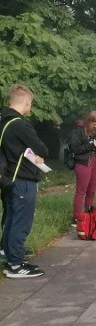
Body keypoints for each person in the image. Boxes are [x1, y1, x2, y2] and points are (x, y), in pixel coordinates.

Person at [1, 84, 49, 278]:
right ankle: (16, 265)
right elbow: (42, 149)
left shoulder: (3, 120)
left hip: (9, 179)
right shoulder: (19, 124)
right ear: (27, 102)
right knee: (21, 222)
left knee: (12, 219)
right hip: (23, 179)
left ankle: (12, 255)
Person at [68, 111, 96, 224]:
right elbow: (75, 149)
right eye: (94, 124)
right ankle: (76, 217)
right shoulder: (78, 131)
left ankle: (89, 212)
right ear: (88, 121)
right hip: (83, 163)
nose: (95, 126)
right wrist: (93, 145)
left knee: (92, 190)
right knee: (81, 191)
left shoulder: (95, 132)